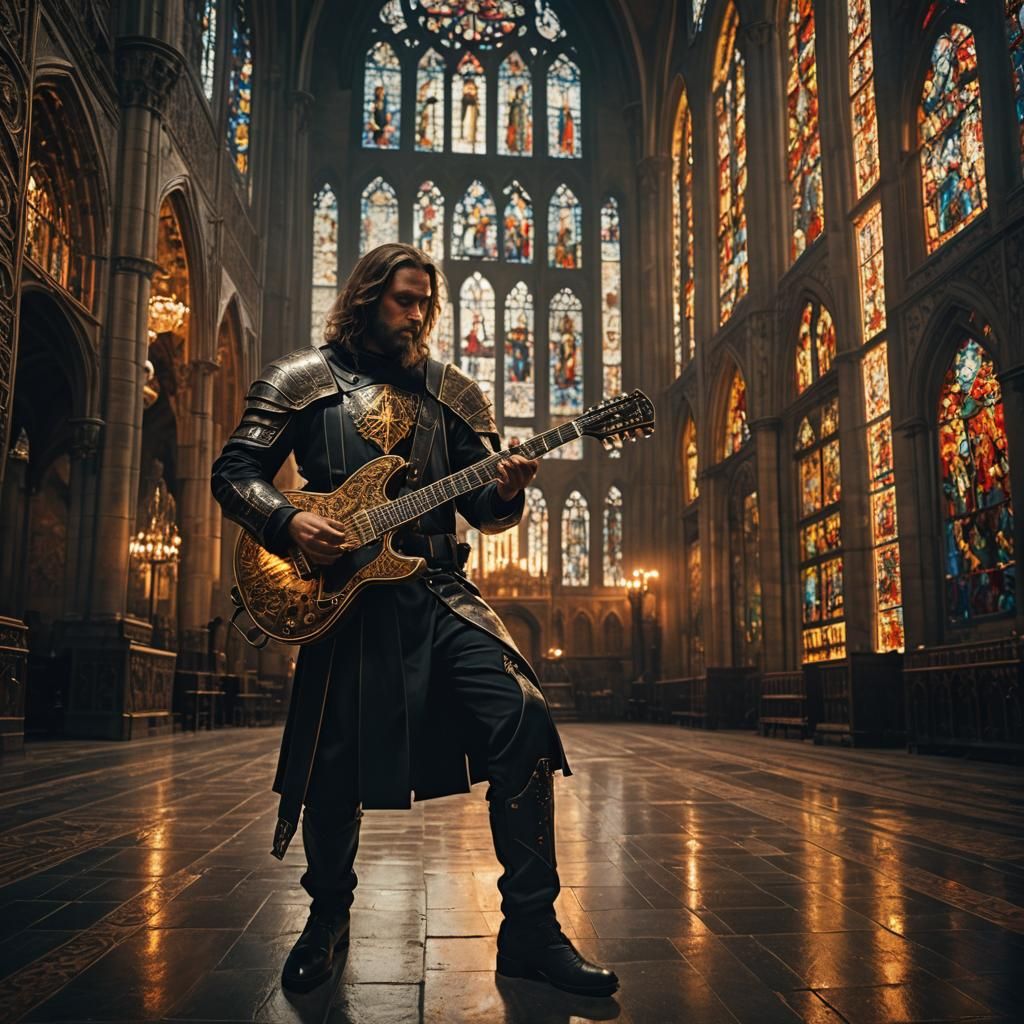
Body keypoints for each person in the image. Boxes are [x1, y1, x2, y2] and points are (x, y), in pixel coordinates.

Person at [211, 243, 618, 999]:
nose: (418, 313)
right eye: (405, 299)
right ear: (366, 297)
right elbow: (234, 473)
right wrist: (288, 522)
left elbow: (486, 510)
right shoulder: (301, 380)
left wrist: (508, 491)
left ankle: (531, 930)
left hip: (435, 588)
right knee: (333, 766)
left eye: (427, 302)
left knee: (523, 716)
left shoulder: (454, 393)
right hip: (341, 596)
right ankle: (327, 917)